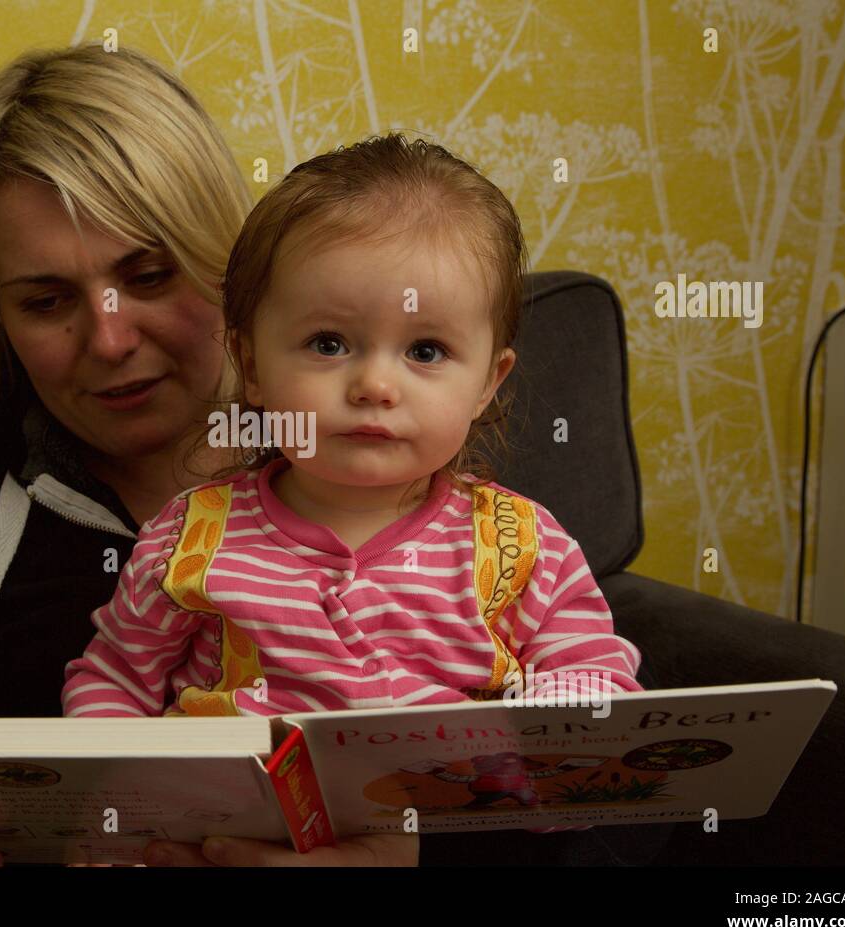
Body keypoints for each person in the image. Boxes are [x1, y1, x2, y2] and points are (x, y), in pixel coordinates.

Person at [0, 44, 665, 868]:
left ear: (230, 271)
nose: (110, 339)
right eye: (46, 300)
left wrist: (426, 852)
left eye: (148, 274)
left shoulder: (437, 491)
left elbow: (607, 786)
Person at [60, 134, 640, 835]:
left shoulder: (523, 548)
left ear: (489, 381)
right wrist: (116, 806)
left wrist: (554, 755)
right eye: (329, 344)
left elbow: (592, 684)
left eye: (426, 351)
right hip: (220, 835)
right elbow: (113, 680)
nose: (374, 385)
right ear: (250, 362)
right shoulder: (191, 539)